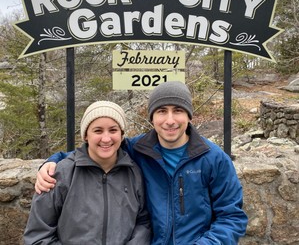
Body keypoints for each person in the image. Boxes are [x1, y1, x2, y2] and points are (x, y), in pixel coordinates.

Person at [35, 81, 248, 244]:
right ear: (152, 117)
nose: (170, 120)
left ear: (189, 115)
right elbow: (94, 151)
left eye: (178, 110)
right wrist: (51, 162)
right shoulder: (137, 149)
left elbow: (231, 217)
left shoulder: (214, 158)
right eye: (162, 111)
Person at [24, 101, 151, 245]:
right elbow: (38, 236)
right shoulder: (61, 174)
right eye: (98, 131)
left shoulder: (134, 173)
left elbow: (143, 222)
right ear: (85, 135)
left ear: (122, 135)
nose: (106, 138)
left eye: (113, 130)